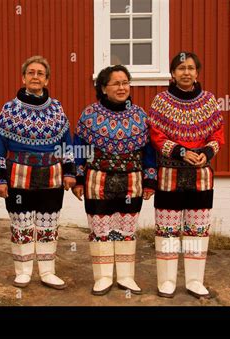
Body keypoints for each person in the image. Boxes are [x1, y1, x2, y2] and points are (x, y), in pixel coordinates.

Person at [0, 56, 76, 290]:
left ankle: (48, 272)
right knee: (22, 224)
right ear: (23, 78)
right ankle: (23, 271)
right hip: (18, 176)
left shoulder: (57, 108)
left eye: (40, 73)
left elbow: (66, 143)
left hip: (52, 176)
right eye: (31, 72)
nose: (35, 76)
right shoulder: (9, 109)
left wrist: (70, 172)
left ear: (47, 79)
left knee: (48, 224)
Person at [73, 65, 157, 296]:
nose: (122, 88)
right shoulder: (89, 115)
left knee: (126, 229)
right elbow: (78, 149)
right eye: (116, 83)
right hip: (97, 181)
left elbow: (149, 152)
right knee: (101, 229)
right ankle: (102, 277)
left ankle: (126, 276)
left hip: (132, 181)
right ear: (103, 88)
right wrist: (78, 179)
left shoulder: (140, 116)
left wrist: (150, 181)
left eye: (125, 83)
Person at [148, 51, 225, 299]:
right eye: (181, 68)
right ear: (172, 73)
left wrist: (206, 152)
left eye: (190, 68)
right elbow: (156, 135)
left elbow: (218, 133)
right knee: (167, 229)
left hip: (201, 177)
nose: (186, 72)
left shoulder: (209, 101)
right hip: (169, 175)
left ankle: (194, 280)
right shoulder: (161, 101)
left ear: (197, 72)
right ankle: (167, 281)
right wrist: (181, 151)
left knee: (197, 229)